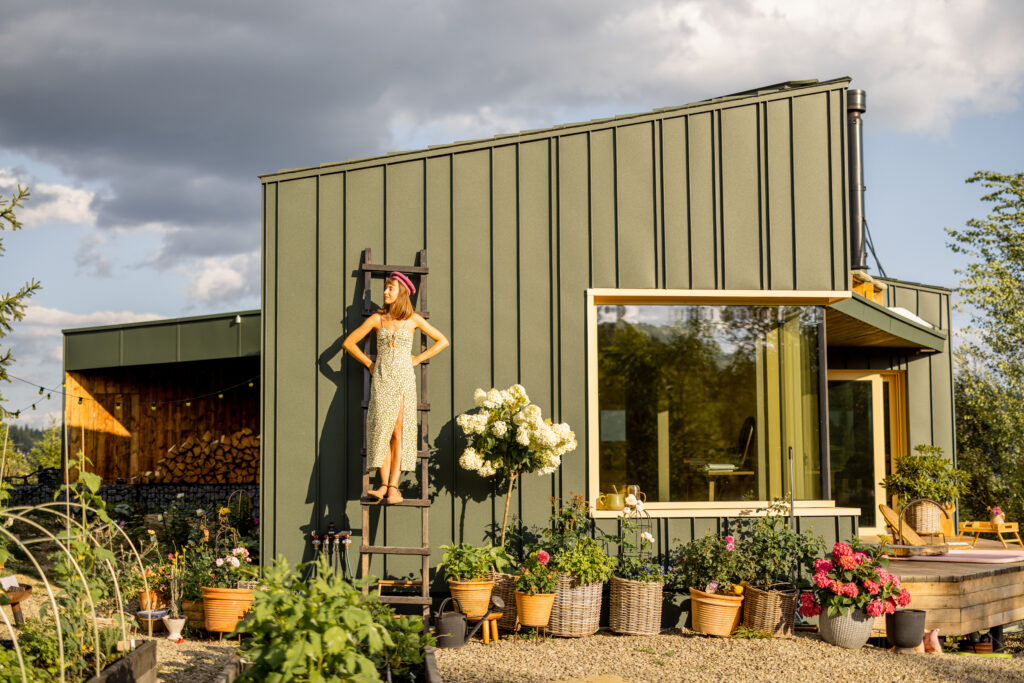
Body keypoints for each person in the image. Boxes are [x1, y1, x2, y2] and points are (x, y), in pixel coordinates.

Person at [343, 271, 448, 504]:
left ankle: (393, 487)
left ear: (401, 291)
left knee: (399, 432)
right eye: (385, 288)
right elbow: (349, 343)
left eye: (390, 288)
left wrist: (418, 358)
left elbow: (443, 341)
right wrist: (369, 363)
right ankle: (382, 485)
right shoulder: (377, 319)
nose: (385, 292)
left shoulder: (413, 320)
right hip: (381, 380)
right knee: (383, 431)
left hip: (402, 380)